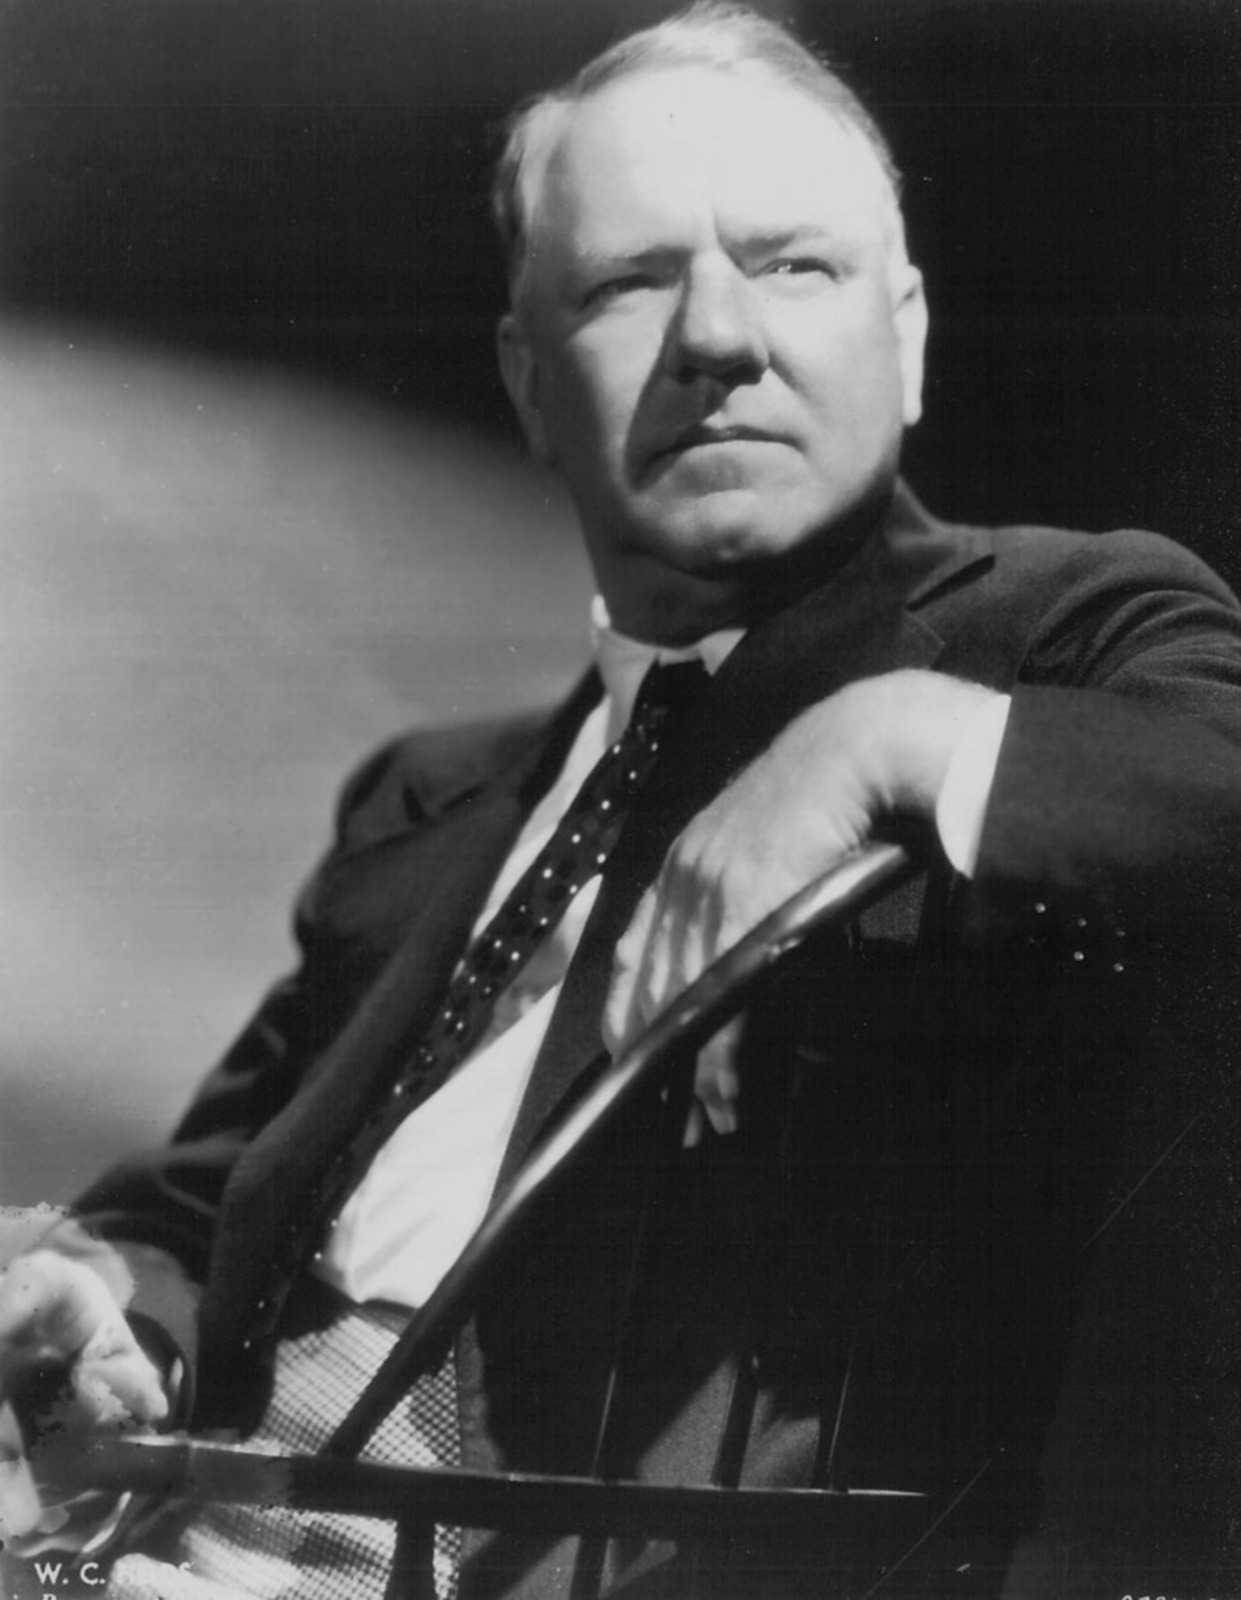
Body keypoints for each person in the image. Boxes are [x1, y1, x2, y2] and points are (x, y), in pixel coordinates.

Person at [3, 5, 1241, 1596]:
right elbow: (212, 1196)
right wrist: (117, 1305)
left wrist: (889, 738)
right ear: (530, 382)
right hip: (186, 1542)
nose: (716, 334)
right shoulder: (431, 797)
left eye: (793, 265)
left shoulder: (1059, 639)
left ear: (910, 335)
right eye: (628, 283)